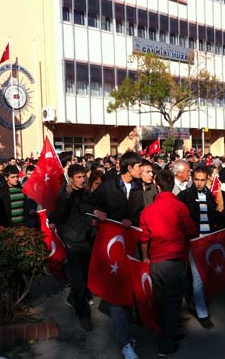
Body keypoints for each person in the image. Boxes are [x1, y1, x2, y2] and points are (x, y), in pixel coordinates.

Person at [82, 151, 144, 359]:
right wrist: (97, 213)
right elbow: (86, 204)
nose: (142, 171)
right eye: (139, 167)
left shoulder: (137, 188)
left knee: (129, 292)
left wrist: (131, 220)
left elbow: (137, 214)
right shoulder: (108, 185)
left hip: (130, 246)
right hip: (111, 247)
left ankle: (123, 332)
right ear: (129, 168)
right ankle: (125, 342)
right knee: (118, 295)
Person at [139, 169, 197, 357]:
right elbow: (192, 231)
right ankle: (166, 343)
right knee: (172, 303)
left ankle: (167, 334)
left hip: (156, 262)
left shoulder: (148, 211)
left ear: (157, 186)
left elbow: (144, 238)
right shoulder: (179, 207)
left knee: (161, 301)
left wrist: (146, 257)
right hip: (174, 261)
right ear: (172, 185)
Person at [178, 167, 225, 328]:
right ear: (192, 178)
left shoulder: (209, 195)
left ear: (207, 179)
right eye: (196, 179)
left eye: (202, 180)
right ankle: (202, 312)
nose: (199, 183)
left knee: (206, 275)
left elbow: (215, 216)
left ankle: (196, 303)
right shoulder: (185, 196)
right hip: (194, 242)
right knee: (198, 278)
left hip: (210, 241)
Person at [52, 164, 94, 331]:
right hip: (72, 242)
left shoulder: (87, 193)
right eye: (79, 177)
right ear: (71, 178)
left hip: (86, 239)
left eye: (84, 176)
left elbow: (89, 210)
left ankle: (72, 298)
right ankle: (83, 315)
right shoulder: (64, 194)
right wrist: (67, 197)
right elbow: (59, 216)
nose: (82, 180)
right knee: (78, 280)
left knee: (85, 277)